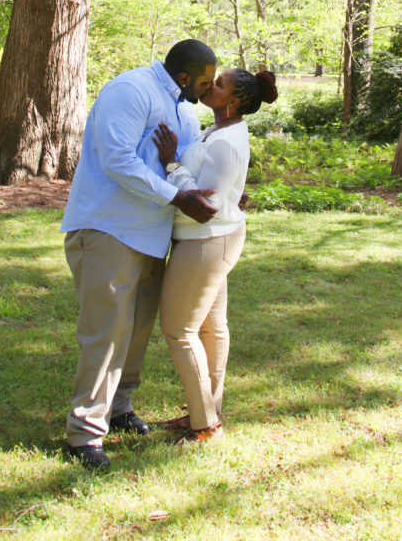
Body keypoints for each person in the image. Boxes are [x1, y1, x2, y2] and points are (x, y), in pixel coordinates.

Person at [61, 39, 219, 468]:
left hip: (152, 236)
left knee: (137, 330)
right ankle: (84, 434)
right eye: (204, 82)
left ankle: (119, 408)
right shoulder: (131, 90)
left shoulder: (183, 108)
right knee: (106, 332)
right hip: (108, 228)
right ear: (184, 76)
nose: (207, 91)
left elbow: (184, 165)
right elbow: (117, 160)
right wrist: (176, 197)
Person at [152, 67, 278, 444]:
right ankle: (205, 410)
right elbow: (222, 189)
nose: (211, 86)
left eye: (219, 85)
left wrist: (171, 163)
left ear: (234, 102)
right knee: (210, 328)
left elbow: (205, 205)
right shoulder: (218, 130)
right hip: (213, 237)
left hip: (206, 240)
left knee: (178, 330)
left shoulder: (226, 140)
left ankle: (206, 424)